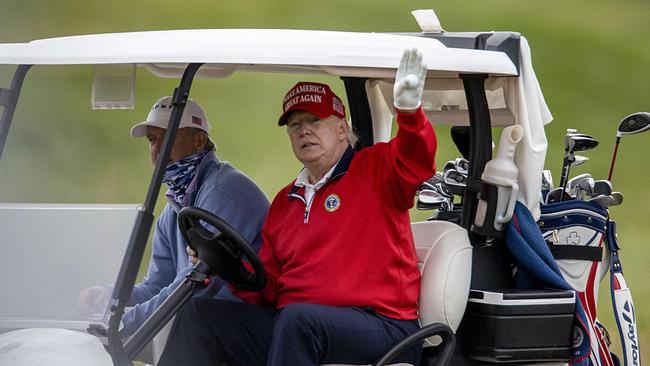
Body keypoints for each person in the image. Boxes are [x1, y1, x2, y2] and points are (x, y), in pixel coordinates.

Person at [158, 47, 436, 366]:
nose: (304, 130)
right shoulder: (285, 202)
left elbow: (417, 158)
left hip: (381, 327)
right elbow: (268, 285)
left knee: (297, 321)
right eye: (295, 124)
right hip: (299, 327)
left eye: (315, 121)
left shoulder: (376, 169)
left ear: (341, 129)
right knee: (200, 316)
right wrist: (227, 266)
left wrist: (410, 113)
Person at [79, 96, 270, 339]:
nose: (157, 150)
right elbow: (158, 286)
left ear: (198, 141)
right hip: (203, 317)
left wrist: (124, 322)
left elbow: (194, 285)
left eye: (167, 138)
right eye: (152, 140)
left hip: (241, 322)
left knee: (164, 328)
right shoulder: (175, 207)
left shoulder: (223, 191)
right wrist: (112, 297)